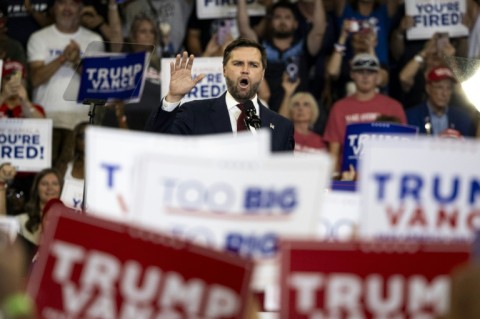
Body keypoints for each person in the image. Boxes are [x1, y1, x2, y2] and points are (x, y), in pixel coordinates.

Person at [145, 37, 295, 152]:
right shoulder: (195, 113)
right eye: (237, 64)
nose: (245, 70)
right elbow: (157, 143)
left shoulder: (282, 127)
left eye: (253, 65)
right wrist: (173, 98)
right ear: (224, 70)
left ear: (262, 74)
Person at [27, 0, 104, 175]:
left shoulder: (94, 40)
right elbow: (36, 78)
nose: (67, 8)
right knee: (45, 179)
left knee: (77, 179)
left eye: (74, 3)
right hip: (45, 120)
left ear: (81, 8)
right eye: (62, 3)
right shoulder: (39, 38)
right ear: (53, 8)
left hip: (81, 122)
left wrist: (77, 61)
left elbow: (98, 85)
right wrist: (62, 59)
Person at [323, 53, 406, 175]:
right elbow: (334, 153)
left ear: (377, 75)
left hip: (386, 175)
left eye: (370, 72)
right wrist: (337, 181)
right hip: (349, 178)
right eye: (360, 72)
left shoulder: (394, 107)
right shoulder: (339, 108)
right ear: (352, 74)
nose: (365, 77)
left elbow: (404, 150)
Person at [236, 0, 326, 112]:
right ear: (270, 22)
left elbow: (319, 31)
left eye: (287, 17)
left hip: (299, 111)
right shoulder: (259, 48)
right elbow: (244, 29)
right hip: (266, 112)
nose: (282, 21)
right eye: (277, 17)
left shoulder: (304, 47)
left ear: (296, 23)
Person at [406, 66, 479, 137]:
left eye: (449, 88)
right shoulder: (412, 116)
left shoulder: (463, 118)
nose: (444, 93)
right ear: (428, 88)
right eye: (439, 87)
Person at [14, 168, 63, 262]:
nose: (50, 188)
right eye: (44, 184)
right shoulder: (20, 221)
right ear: (36, 189)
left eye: (55, 184)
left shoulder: (68, 223)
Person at [278, 75, 326, 153]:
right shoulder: (286, 135)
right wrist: (288, 94)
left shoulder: (320, 142)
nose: (300, 108)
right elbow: (280, 125)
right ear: (290, 110)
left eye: (306, 104)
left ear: (313, 110)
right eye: (296, 104)